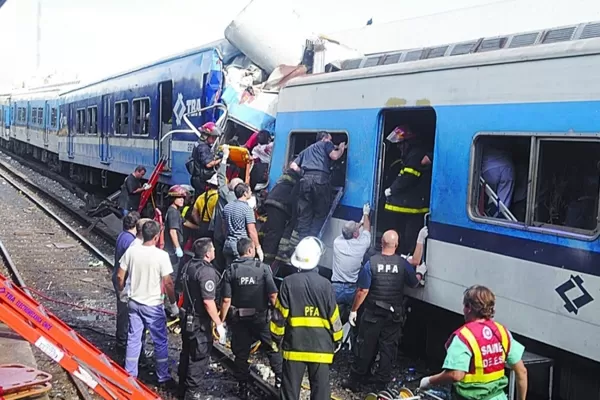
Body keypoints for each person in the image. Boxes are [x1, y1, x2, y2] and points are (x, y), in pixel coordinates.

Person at [343, 230, 425, 391]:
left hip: (372, 314)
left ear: (382, 244)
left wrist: (354, 310)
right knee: (388, 349)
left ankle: (357, 380)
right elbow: (413, 283)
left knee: (365, 347)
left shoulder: (371, 263)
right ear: (397, 245)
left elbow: (362, 291)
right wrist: (420, 273)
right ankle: (381, 384)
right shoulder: (402, 264)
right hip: (393, 315)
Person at [419, 285, 528, 400]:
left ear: (469, 307)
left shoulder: (464, 336)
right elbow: (522, 371)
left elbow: (456, 374)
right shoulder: (502, 332)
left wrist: (429, 381)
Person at [270, 236, 343, 400]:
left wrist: (276, 339)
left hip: (295, 346)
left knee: (289, 392)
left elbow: (279, 317)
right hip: (321, 349)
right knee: (321, 393)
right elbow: (334, 316)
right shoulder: (326, 285)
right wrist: (337, 339)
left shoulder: (288, 283)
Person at [117, 220, 179, 388]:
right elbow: (168, 283)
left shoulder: (132, 251)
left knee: (134, 339)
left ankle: (129, 374)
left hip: (134, 303)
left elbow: (120, 275)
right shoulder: (161, 256)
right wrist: (173, 305)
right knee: (159, 341)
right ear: (157, 236)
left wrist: (123, 292)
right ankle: (163, 376)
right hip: (152, 305)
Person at [220, 238, 283, 394]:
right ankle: (280, 380)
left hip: (239, 320)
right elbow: (273, 295)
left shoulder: (231, 270)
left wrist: (220, 321)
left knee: (241, 354)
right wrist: (281, 315)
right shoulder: (263, 269)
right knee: (272, 348)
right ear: (250, 251)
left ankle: (242, 387)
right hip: (261, 319)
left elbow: (226, 300)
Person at [178, 238, 226, 400]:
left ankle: (181, 388)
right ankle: (191, 393)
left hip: (187, 317)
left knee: (187, 352)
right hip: (199, 321)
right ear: (207, 254)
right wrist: (219, 324)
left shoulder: (188, 266)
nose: (214, 251)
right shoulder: (206, 272)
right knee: (198, 357)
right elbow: (208, 301)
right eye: (212, 249)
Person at [383, 126, 431, 255]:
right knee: (405, 232)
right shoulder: (412, 154)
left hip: (413, 205)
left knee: (409, 234)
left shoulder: (415, 154)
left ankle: (407, 255)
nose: (398, 148)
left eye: (400, 145)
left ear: (407, 143)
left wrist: (391, 190)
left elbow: (408, 176)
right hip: (410, 204)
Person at [290, 131, 346, 239]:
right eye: (330, 139)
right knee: (320, 213)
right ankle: (312, 239)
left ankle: (302, 240)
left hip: (305, 181)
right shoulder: (326, 143)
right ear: (325, 138)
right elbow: (334, 156)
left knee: (305, 214)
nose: (331, 142)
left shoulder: (307, 150)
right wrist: (341, 149)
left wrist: (302, 172)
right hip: (320, 181)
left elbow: (293, 165)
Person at [330, 203, 371, 323]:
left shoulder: (337, 242)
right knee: (353, 318)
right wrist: (366, 214)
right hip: (352, 289)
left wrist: (359, 223)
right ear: (356, 234)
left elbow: (351, 232)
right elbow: (367, 230)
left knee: (332, 319)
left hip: (336, 288)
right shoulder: (362, 245)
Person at [259, 167, 302, 265]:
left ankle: (265, 254)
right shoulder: (299, 181)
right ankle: (267, 261)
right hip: (279, 205)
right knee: (275, 233)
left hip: (272, 202)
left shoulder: (286, 177)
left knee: (271, 229)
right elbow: (293, 198)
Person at [212, 145, 244, 271]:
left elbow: (220, 177)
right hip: (233, 238)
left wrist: (224, 158)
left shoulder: (225, 193)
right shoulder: (243, 202)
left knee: (218, 261)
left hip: (219, 232)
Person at [113, 211, 140, 355]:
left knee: (122, 312)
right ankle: (122, 344)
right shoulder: (130, 241)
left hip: (119, 278)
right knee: (124, 314)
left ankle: (121, 341)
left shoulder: (123, 235)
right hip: (123, 281)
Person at [222, 183, 262, 267]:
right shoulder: (247, 209)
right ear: (245, 193)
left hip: (228, 244)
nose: (251, 192)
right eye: (250, 191)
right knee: (242, 271)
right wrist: (258, 247)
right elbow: (252, 231)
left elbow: (223, 227)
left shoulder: (227, 207)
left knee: (230, 271)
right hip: (241, 246)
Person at [481, 143, 515, 216]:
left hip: (488, 167)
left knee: (488, 195)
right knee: (503, 201)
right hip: (507, 165)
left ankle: (489, 211)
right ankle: (500, 215)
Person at [164, 185, 188, 284]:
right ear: (173, 198)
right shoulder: (173, 212)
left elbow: (185, 222)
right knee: (172, 277)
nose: (182, 199)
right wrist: (177, 247)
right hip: (172, 250)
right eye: (179, 197)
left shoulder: (175, 211)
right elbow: (172, 231)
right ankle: (167, 297)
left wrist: (198, 227)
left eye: (183, 197)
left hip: (172, 248)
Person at [190, 122, 221, 196]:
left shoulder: (198, 143)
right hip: (201, 180)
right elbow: (208, 164)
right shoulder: (203, 147)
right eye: (213, 137)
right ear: (206, 136)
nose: (214, 140)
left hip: (197, 178)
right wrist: (221, 159)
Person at [191, 174, 219, 239]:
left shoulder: (201, 196)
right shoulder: (218, 198)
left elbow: (194, 213)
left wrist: (200, 224)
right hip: (213, 228)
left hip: (203, 225)